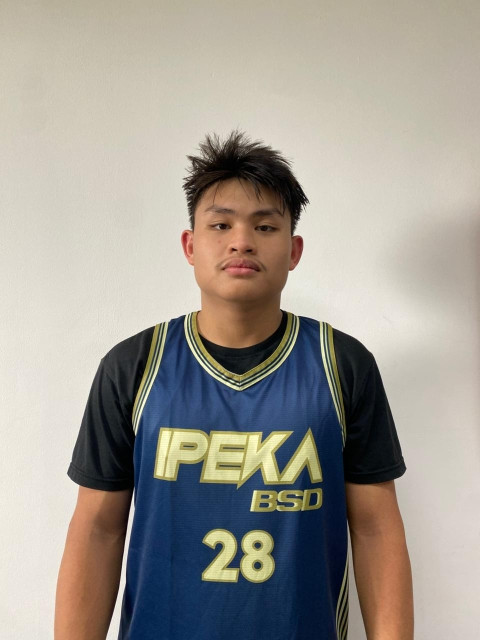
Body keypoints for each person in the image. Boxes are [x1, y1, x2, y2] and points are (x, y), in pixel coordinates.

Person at [55, 130, 414, 640]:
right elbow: (97, 529)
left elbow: (376, 529)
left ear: (294, 250)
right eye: (220, 224)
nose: (241, 241)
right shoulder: (133, 366)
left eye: (265, 226)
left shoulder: (342, 365)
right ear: (190, 245)